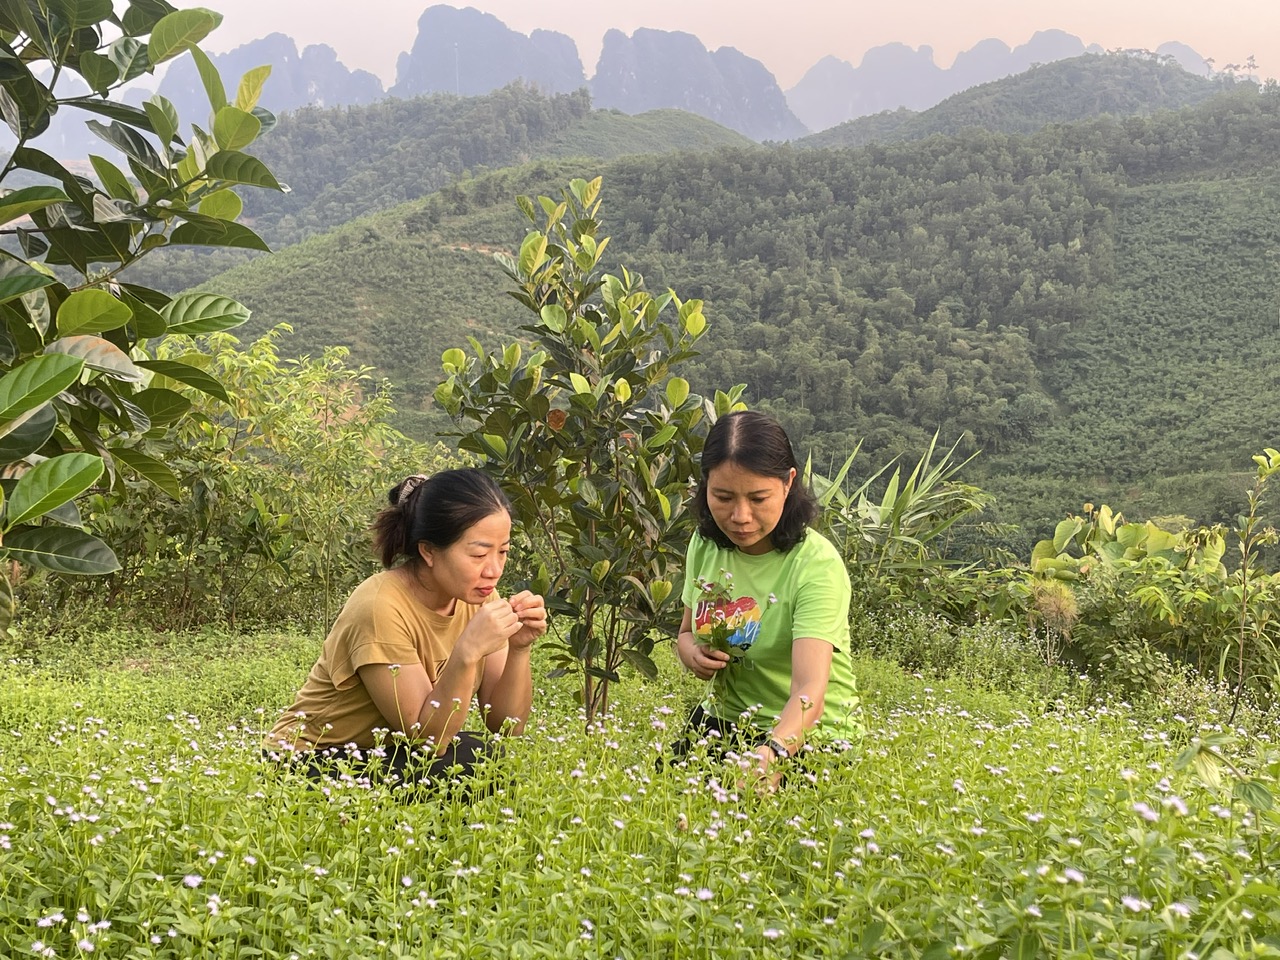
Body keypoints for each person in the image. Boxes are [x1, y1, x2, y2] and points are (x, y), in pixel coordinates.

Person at [263, 468, 547, 792]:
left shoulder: (479, 599)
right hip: (307, 761)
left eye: (503, 552)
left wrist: (519, 648)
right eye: (479, 554)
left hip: (383, 754)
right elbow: (429, 742)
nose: (494, 570)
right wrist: (467, 652)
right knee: (466, 763)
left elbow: (507, 726)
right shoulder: (380, 606)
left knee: (486, 757)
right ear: (428, 551)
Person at [674, 411, 861, 789]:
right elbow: (685, 633)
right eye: (723, 497)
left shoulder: (815, 565)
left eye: (758, 498)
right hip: (726, 720)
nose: (740, 516)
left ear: (788, 482)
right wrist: (693, 654)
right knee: (666, 808)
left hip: (808, 735)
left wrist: (773, 752)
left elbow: (809, 690)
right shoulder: (705, 545)